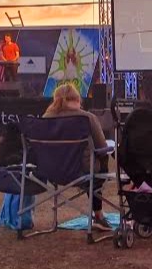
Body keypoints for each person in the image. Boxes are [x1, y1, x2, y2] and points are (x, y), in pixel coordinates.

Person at [43, 82, 112, 231]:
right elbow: (102, 147)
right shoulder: (87, 118)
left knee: (91, 161)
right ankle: (98, 214)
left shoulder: (45, 118)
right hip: (82, 172)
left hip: (52, 171)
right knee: (99, 159)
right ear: (77, 99)